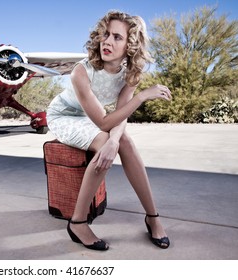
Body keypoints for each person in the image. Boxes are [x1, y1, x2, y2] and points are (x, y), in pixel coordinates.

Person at [46, 11, 172, 251]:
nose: (107, 41)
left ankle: (152, 216)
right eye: (105, 34)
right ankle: (78, 222)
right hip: (64, 116)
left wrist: (115, 140)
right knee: (107, 140)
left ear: (130, 45)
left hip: (90, 116)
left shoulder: (131, 73)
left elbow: (121, 112)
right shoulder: (81, 71)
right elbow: (104, 123)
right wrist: (143, 97)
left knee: (124, 142)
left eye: (117, 37)